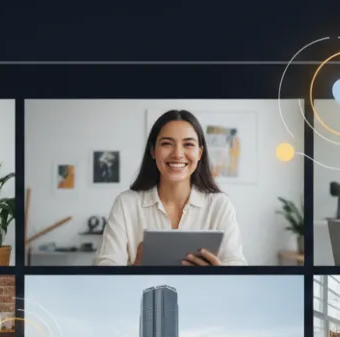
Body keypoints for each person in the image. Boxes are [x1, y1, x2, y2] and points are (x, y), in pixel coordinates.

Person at [94, 109, 247, 266]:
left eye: (188, 144)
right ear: (153, 151)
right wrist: (134, 270)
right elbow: (105, 265)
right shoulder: (126, 203)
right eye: (167, 143)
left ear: (200, 153)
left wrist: (219, 273)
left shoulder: (219, 205)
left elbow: (237, 264)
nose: (177, 154)